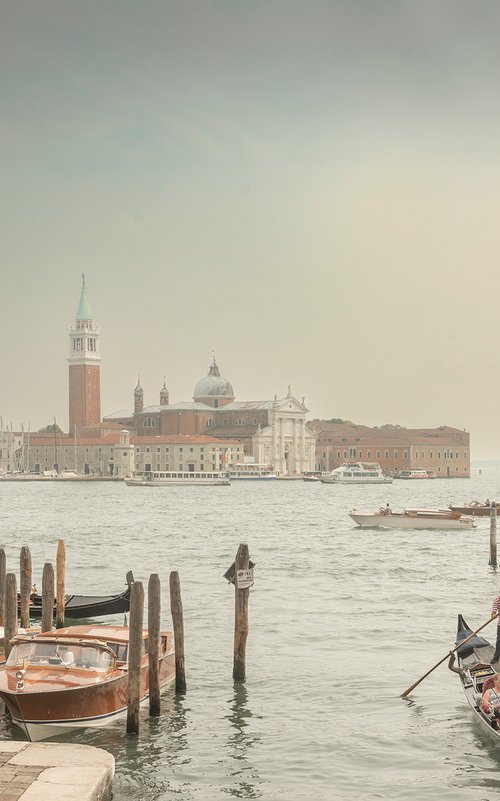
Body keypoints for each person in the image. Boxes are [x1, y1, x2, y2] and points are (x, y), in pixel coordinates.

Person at [491, 591, 500, 663]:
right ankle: (496, 658)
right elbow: (493, 614)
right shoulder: (497, 600)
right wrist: (494, 616)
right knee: (499, 642)